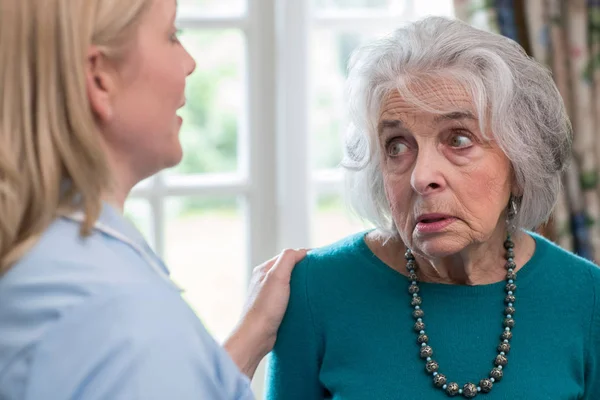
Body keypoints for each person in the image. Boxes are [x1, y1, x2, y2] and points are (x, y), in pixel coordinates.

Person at [266, 16, 600, 399]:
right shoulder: (314, 290)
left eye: (458, 139)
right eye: (397, 145)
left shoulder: (588, 298)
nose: (421, 176)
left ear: (521, 165)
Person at [0, 0, 305, 399]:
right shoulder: (118, 317)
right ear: (100, 77)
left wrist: (249, 339)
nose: (190, 62)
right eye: (171, 36)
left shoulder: (43, 258)